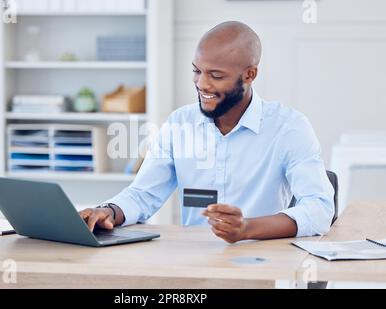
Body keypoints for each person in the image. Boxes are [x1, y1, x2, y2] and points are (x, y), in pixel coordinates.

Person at [79, 21, 334, 243]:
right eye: (197, 71)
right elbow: (143, 194)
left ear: (249, 75)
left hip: (262, 261)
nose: (202, 84)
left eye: (216, 75)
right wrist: (109, 211)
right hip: (195, 264)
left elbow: (319, 209)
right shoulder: (180, 123)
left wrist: (247, 229)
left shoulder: (289, 128)